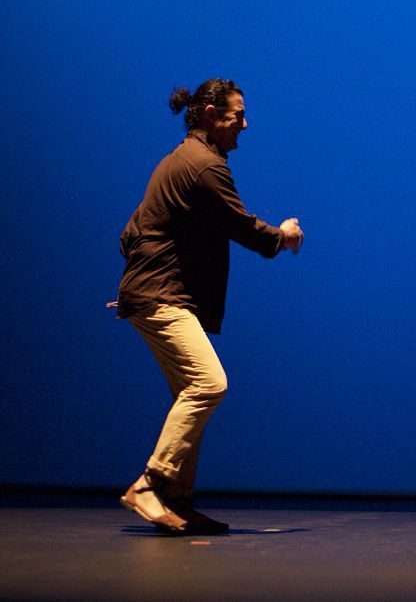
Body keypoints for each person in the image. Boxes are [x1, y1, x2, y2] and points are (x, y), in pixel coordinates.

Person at [116, 78, 304, 534]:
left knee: (191, 392)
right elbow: (240, 225)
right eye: (236, 114)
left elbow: (129, 233)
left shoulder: (179, 161)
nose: (245, 123)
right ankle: (150, 483)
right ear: (206, 113)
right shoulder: (203, 166)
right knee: (209, 384)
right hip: (161, 296)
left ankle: (177, 503)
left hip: (151, 293)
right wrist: (283, 236)